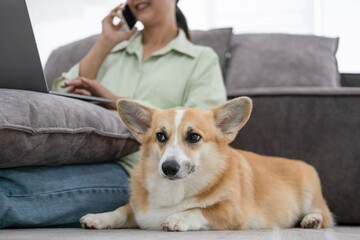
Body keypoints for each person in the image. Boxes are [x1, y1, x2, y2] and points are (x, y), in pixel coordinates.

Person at [0, 0, 226, 228]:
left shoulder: (201, 59)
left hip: (135, 170)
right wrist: (105, 42)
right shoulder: (113, 51)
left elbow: (205, 128)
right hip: (76, 152)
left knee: (14, 187)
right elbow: (54, 101)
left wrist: (114, 100)